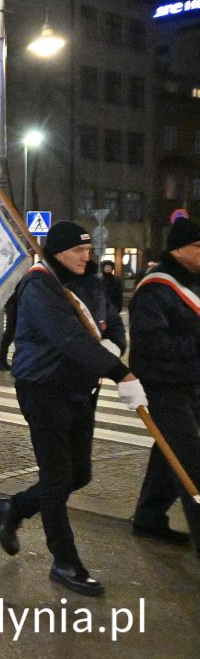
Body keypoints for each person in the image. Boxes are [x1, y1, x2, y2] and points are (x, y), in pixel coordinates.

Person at [0, 221, 144, 597]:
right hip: (43, 388)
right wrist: (121, 373)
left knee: (80, 474)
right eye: (78, 250)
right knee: (58, 478)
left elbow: (112, 325)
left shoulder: (92, 281)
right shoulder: (40, 285)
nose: (85, 256)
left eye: (88, 250)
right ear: (57, 252)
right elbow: (68, 337)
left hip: (80, 389)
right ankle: (65, 561)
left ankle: (15, 508)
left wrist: (113, 348)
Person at [128, 217, 200, 555]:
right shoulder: (155, 287)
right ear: (180, 249)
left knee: (169, 452)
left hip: (190, 382)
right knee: (191, 461)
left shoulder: (193, 281)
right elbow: (154, 345)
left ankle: (149, 517)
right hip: (163, 385)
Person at [0, 291, 18, 371]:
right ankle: (2, 362)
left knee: (11, 333)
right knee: (10, 333)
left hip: (14, 303)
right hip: (13, 304)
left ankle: (2, 362)